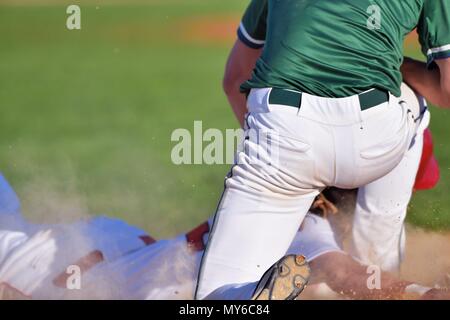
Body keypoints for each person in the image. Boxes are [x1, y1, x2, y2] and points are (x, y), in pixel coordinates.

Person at [195, 0, 450, 300]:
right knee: (410, 98)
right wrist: (395, 65)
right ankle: (383, 266)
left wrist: (270, 151)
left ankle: (247, 295)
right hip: (376, 135)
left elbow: (235, 77)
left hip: (284, 131)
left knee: (216, 294)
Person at [0, 174, 448, 300]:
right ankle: (250, 294)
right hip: (70, 262)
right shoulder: (312, 224)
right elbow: (336, 269)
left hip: (123, 251)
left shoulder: (283, 189)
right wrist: (419, 292)